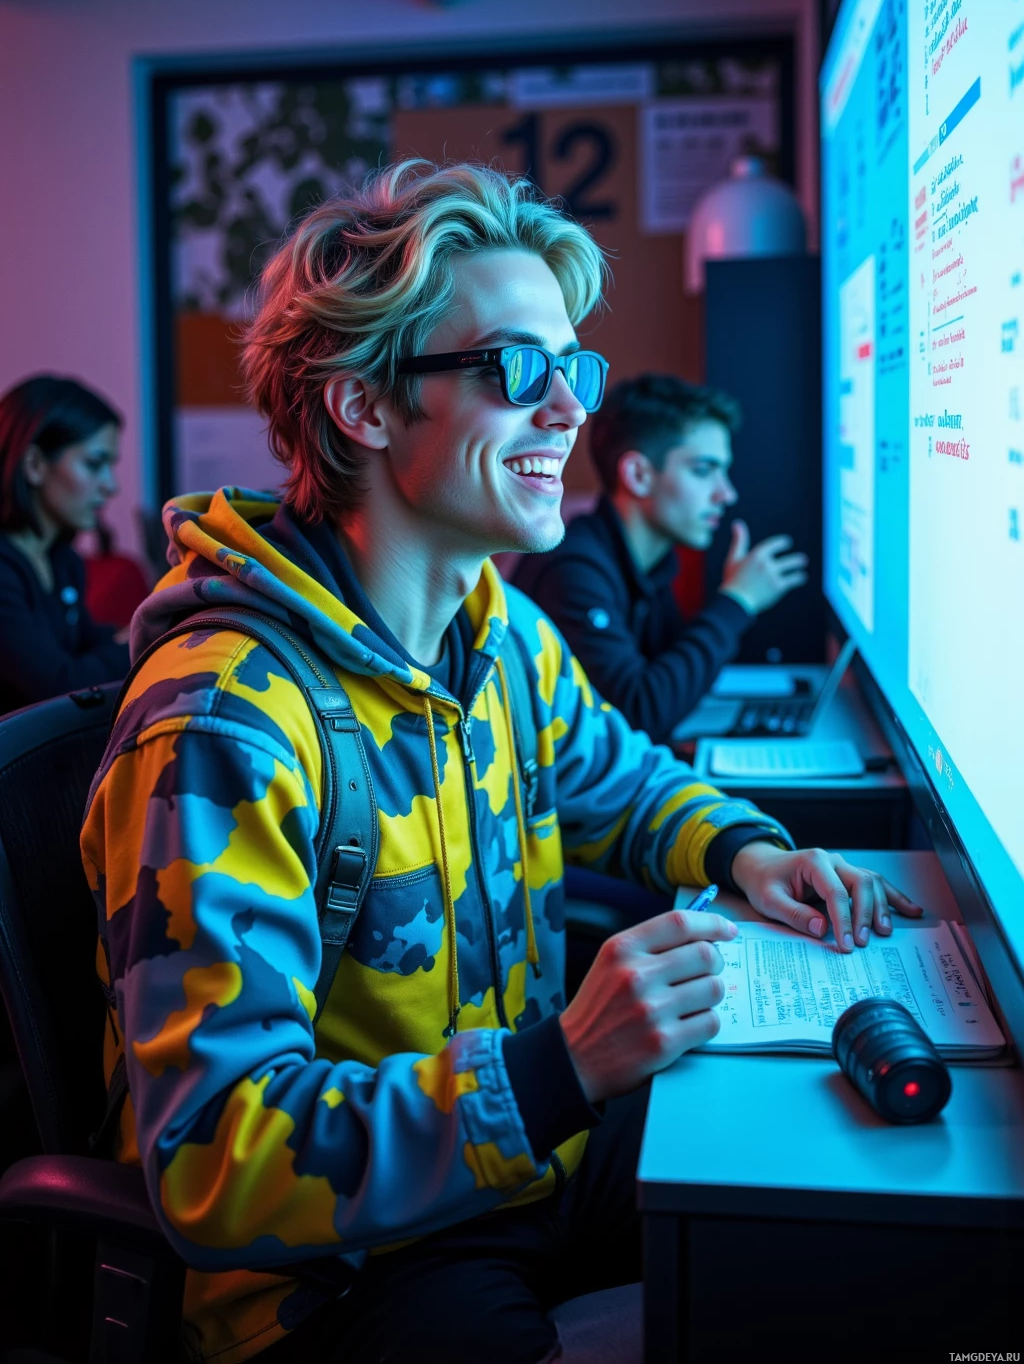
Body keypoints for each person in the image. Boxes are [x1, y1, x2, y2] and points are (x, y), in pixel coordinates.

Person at [81, 162, 920, 1364]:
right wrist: (558, 1066)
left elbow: (623, 779)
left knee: (832, 1220)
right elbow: (214, 1153)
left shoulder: (497, 629)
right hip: (333, 1274)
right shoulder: (224, 719)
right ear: (363, 406)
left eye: (570, 370)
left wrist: (744, 848)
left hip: (514, 1170)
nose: (571, 410)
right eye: (517, 369)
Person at [515, 374, 809, 743]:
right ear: (638, 475)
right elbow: (638, 715)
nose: (726, 493)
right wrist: (738, 601)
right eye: (704, 470)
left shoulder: (648, 564)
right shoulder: (572, 572)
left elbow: (668, 681)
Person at [0, 374, 130, 714]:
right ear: (35, 465)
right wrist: (140, 639)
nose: (110, 486)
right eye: (94, 464)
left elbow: (84, 643)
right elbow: (58, 685)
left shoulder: (63, 562)